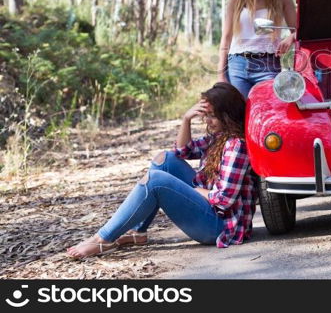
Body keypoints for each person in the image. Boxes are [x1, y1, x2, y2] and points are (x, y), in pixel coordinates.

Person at [66, 82, 255, 258]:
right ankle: (138, 232)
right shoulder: (219, 136)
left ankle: (102, 240)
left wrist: (195, 191)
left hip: (220, 226)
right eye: (206, 115)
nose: (207, 120)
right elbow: (182, 151)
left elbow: (224, 198)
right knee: (164, 160)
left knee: (154, 180)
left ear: (228, 115)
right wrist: (186, 119)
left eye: (212, 115)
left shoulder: (236, 145)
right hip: (210, 208)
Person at [217, 0, 297, 98]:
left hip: (268, 64)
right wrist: (221, 75)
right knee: (240, 115)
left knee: (269, 110)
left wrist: (291, 38)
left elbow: (298, 30)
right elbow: (226, 37)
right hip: (238, 64)